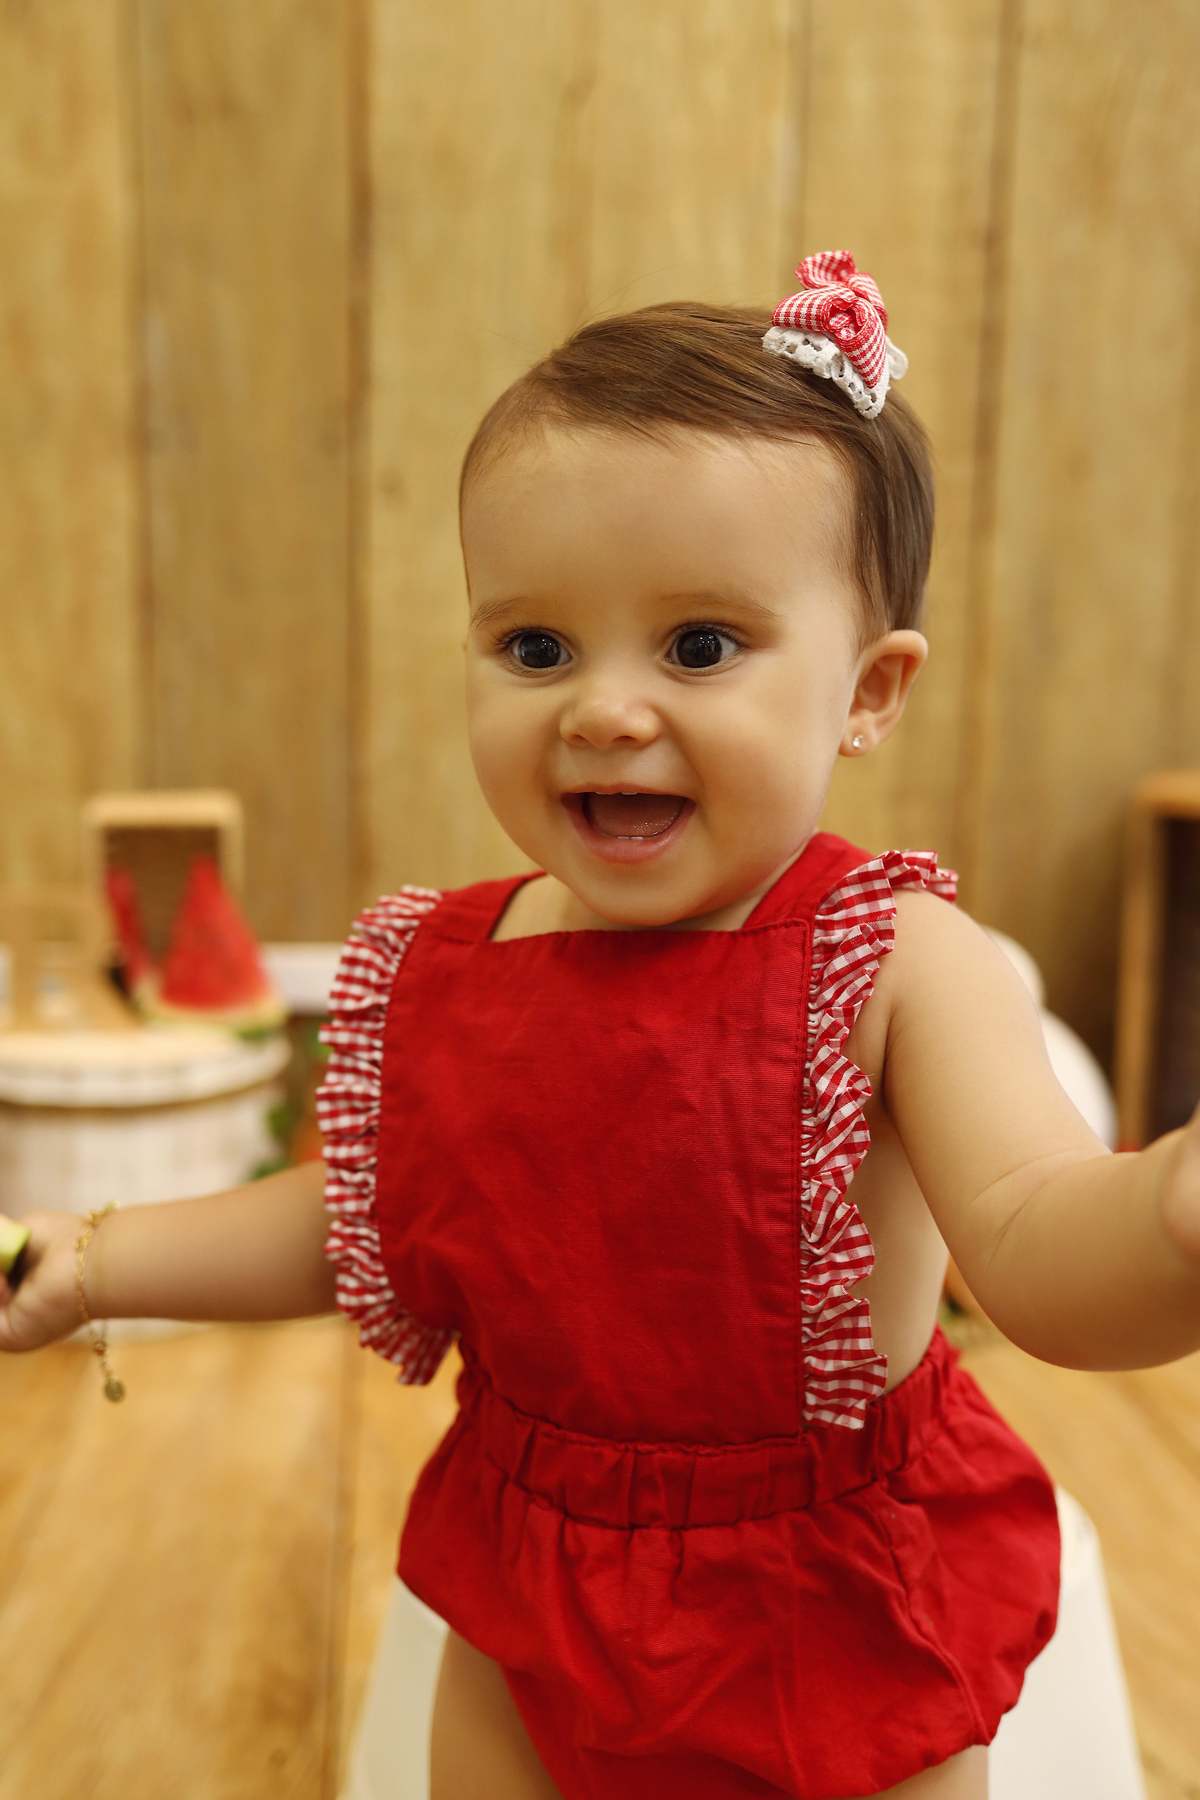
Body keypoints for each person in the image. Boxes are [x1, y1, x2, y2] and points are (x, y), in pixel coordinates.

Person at [3, 252, 1199, 1800]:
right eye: (536, 648)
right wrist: (96, 1260)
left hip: (829, 1592)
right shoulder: (456, 966)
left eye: (699, 646)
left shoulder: (894, 959)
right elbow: (364, 1222)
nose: (602, 710)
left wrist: (1166, 1215)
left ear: (869, 691)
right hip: (534, 1578)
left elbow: (1034, 1242)